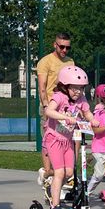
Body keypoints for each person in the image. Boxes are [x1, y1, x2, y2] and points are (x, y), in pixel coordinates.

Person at [43, 65, 93, 209]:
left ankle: (51, 186)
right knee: (59, 172)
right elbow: (49, 111)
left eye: (81, 88)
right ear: (65, 86)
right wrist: (66, 117)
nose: (78, 92)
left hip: (67, 141)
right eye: (75, 88)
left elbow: (87, 112)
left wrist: (94, 120)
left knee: (69, 172)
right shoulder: (59, 96)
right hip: (54, 139)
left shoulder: (81, 99)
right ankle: (54, 206)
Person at [35, 33, 74, 182]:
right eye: (62, 46)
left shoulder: (70, 62)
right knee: (48, 141)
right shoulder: (45, 62)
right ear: (55, 45)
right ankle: (47, 172)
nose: (64, 50)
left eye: (67, 47)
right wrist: (46, 107)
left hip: (66, 109)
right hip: (50, 106)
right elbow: (42, 87)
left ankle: (64, 174)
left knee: (67, 141)